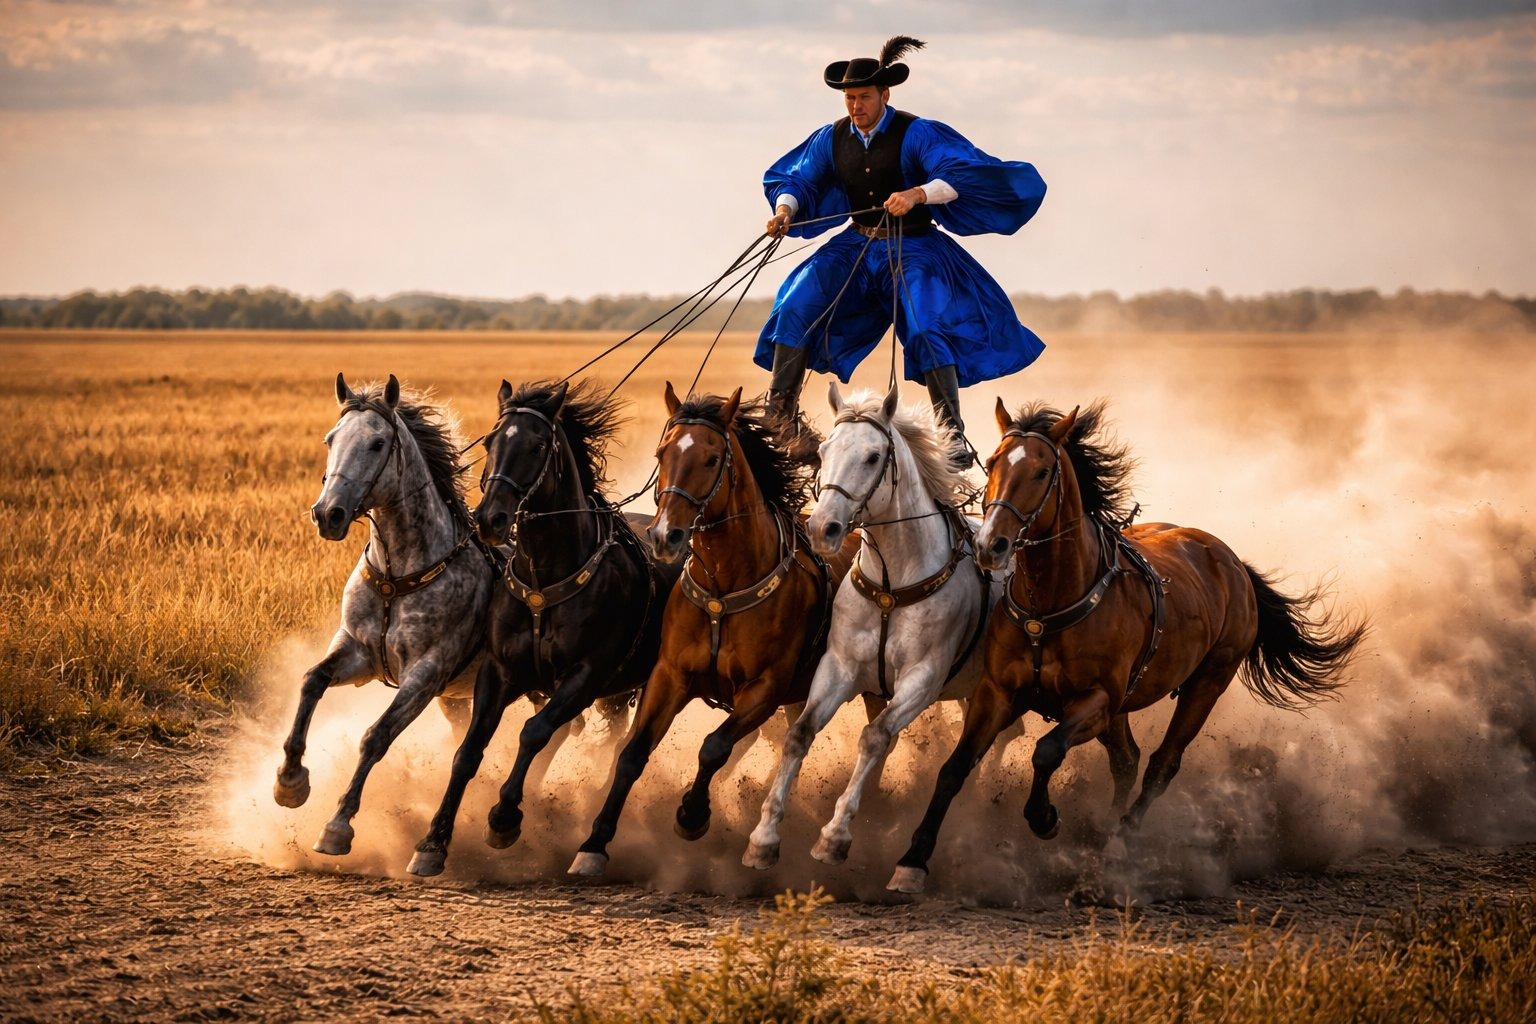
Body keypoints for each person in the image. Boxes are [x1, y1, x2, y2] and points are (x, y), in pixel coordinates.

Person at [757, 36, 1048, 454]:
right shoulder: (830, 138)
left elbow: (959, 173)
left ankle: (951, 435)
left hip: (915, 247)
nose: (856, 106)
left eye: (864, 97)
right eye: (850, 98)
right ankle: (780, 419)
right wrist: (785, 210)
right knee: (795, 302)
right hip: (856, 245)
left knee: (927, 326)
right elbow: (798, 179)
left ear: (884, 95)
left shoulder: (918, 132)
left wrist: (918, 194)